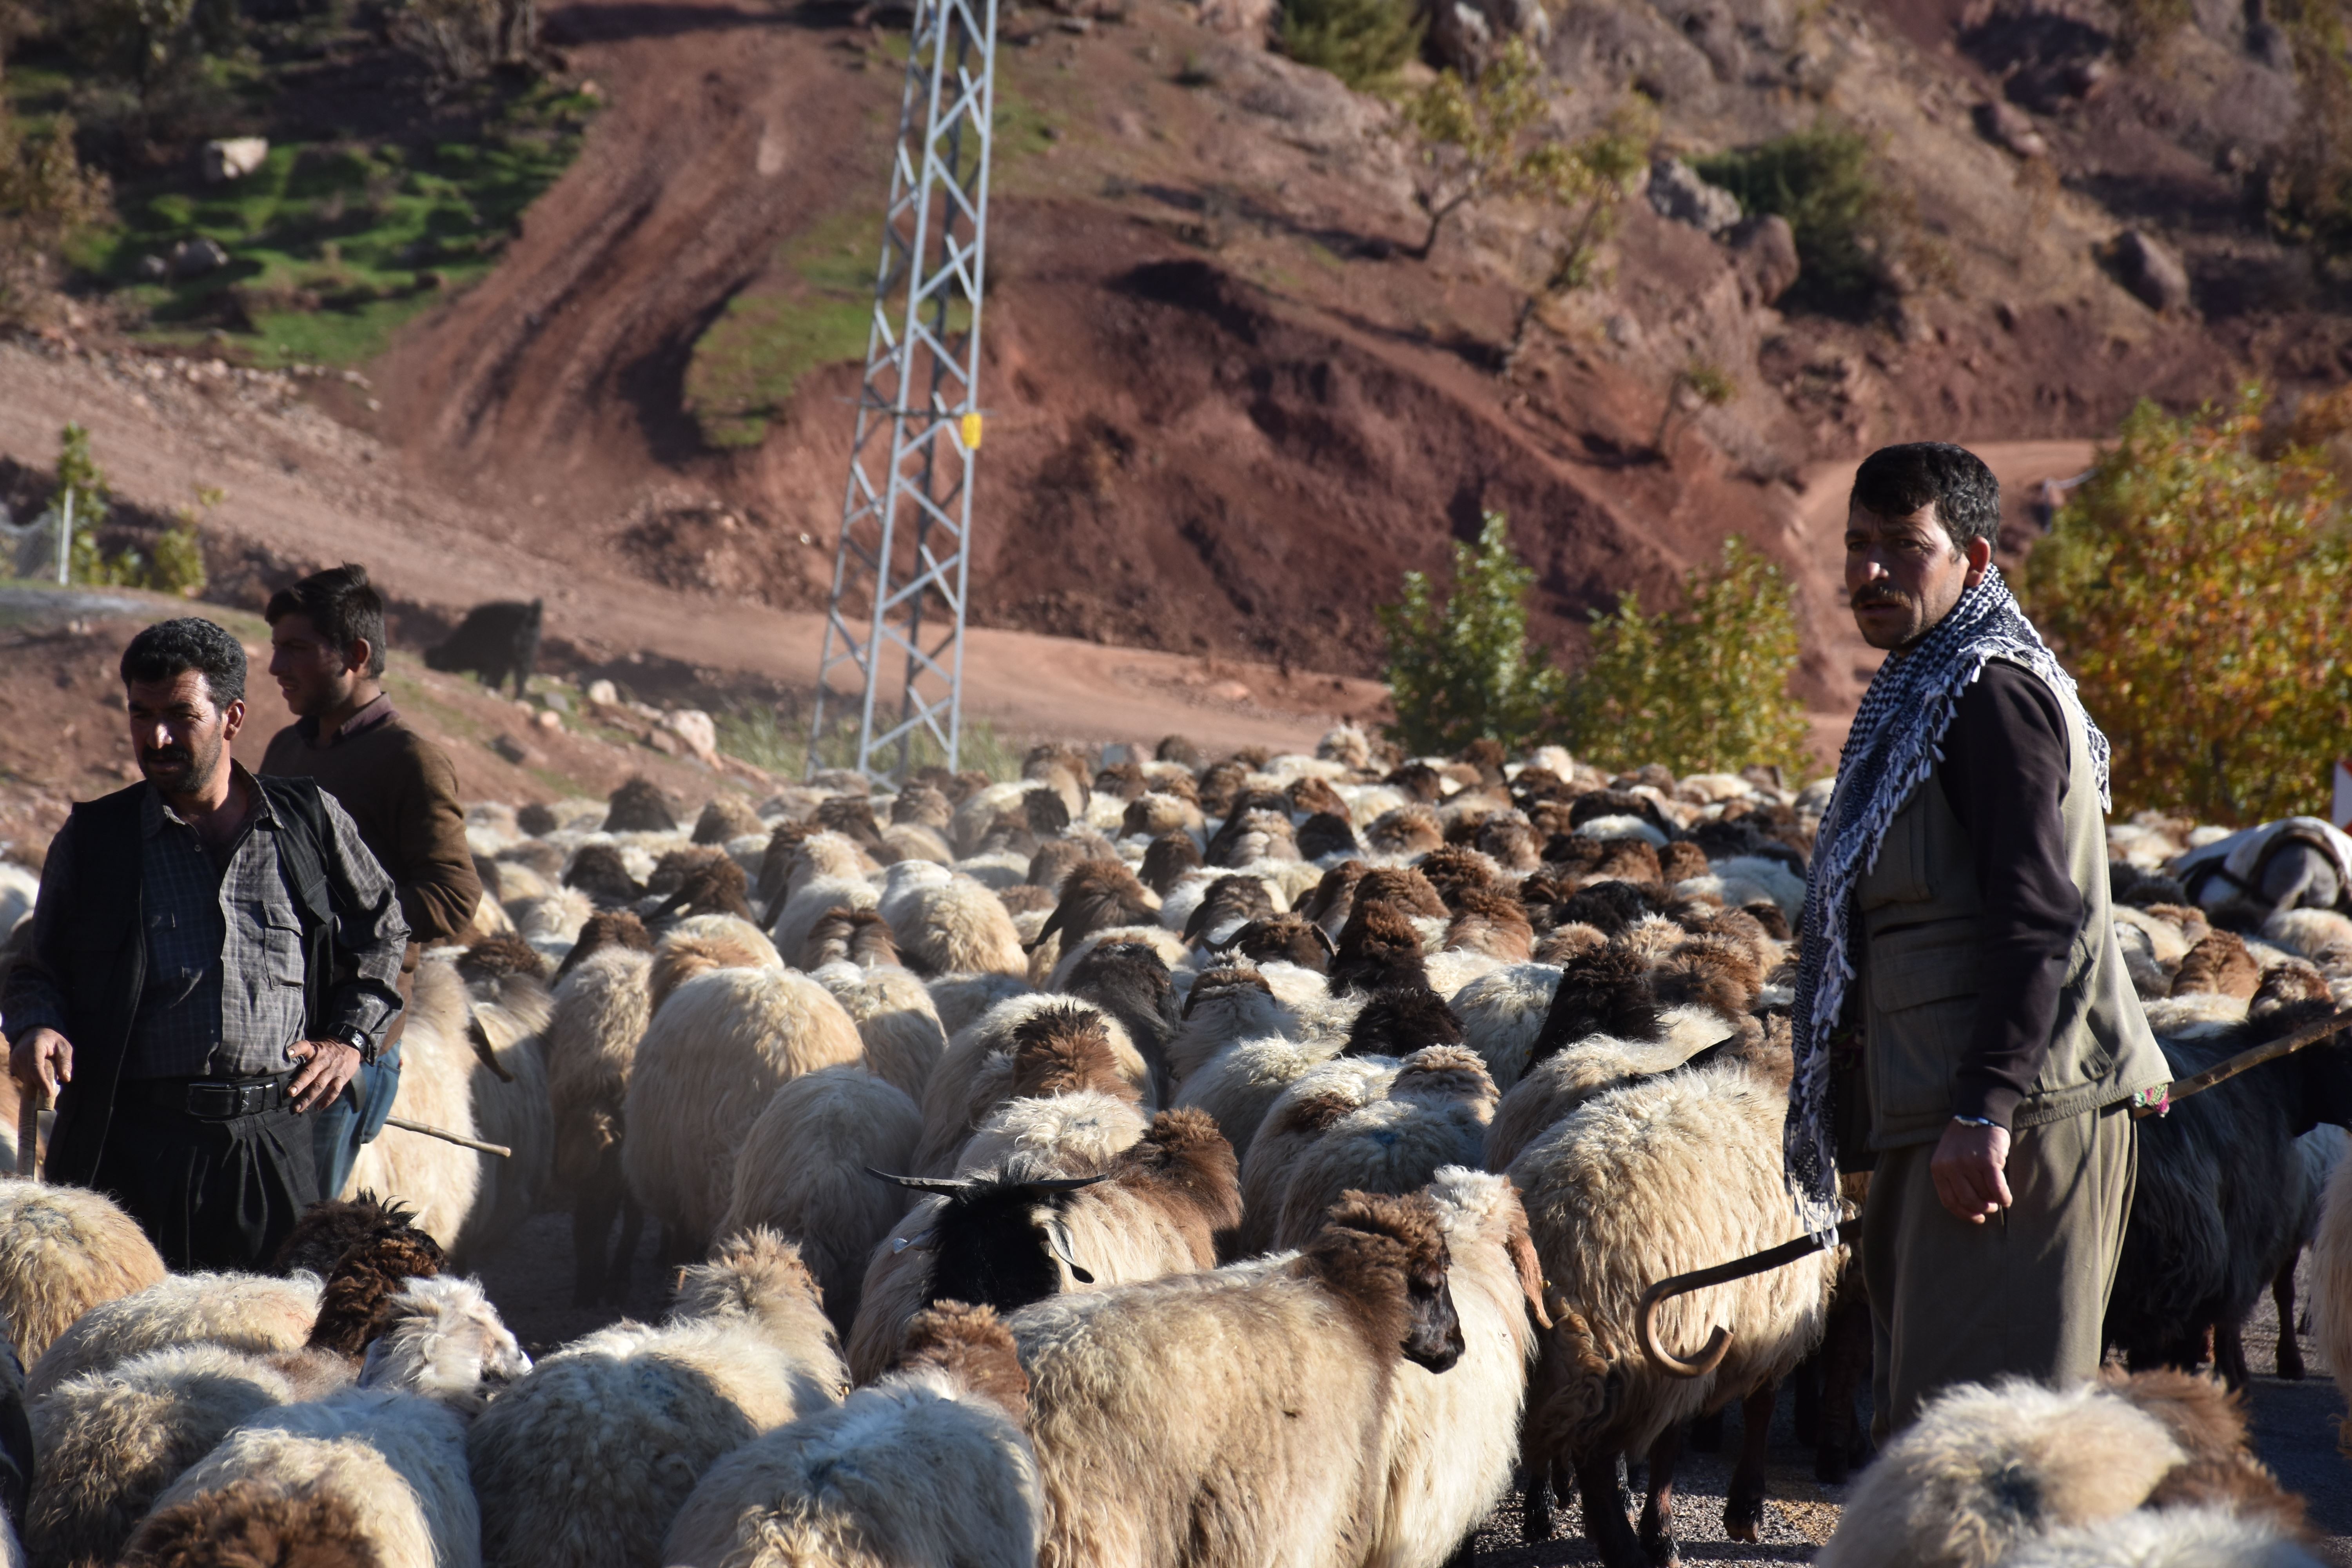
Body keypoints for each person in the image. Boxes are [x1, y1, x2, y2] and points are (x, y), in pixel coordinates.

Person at [1782, 442, 2171, 1439]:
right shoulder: (1925, 690)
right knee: (1931, 1432)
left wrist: (1984, 1108)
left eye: (1904, 547)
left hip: (2014, 1131)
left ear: (1975, 560)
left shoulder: (1988, 695)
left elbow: (2038, 914)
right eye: (1857, 543)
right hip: (1950, 1116)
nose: (1868, 570)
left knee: (1990, 1447)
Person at [3, 619, 408, 1271]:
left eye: (181, 715)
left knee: (271, 1340)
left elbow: (383, 931)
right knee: (128, 1344)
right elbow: (36, 971)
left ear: (232, 717)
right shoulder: (97, 838)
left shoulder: (307, 822)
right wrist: (37, 1027)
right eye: (142, 715)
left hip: (272, 1141)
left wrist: (350, 1040)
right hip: (133, 1146)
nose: (156, 737)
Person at [260, 564, 481, 1202]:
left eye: (297, 648)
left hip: (350, 1043)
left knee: (299, 1235)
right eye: (277, 647)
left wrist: (328, 916)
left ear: (355, 655)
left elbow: (452, 897)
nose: (277, 666)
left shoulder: (408, 760)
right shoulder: (285, 751)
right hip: (272, 1025)